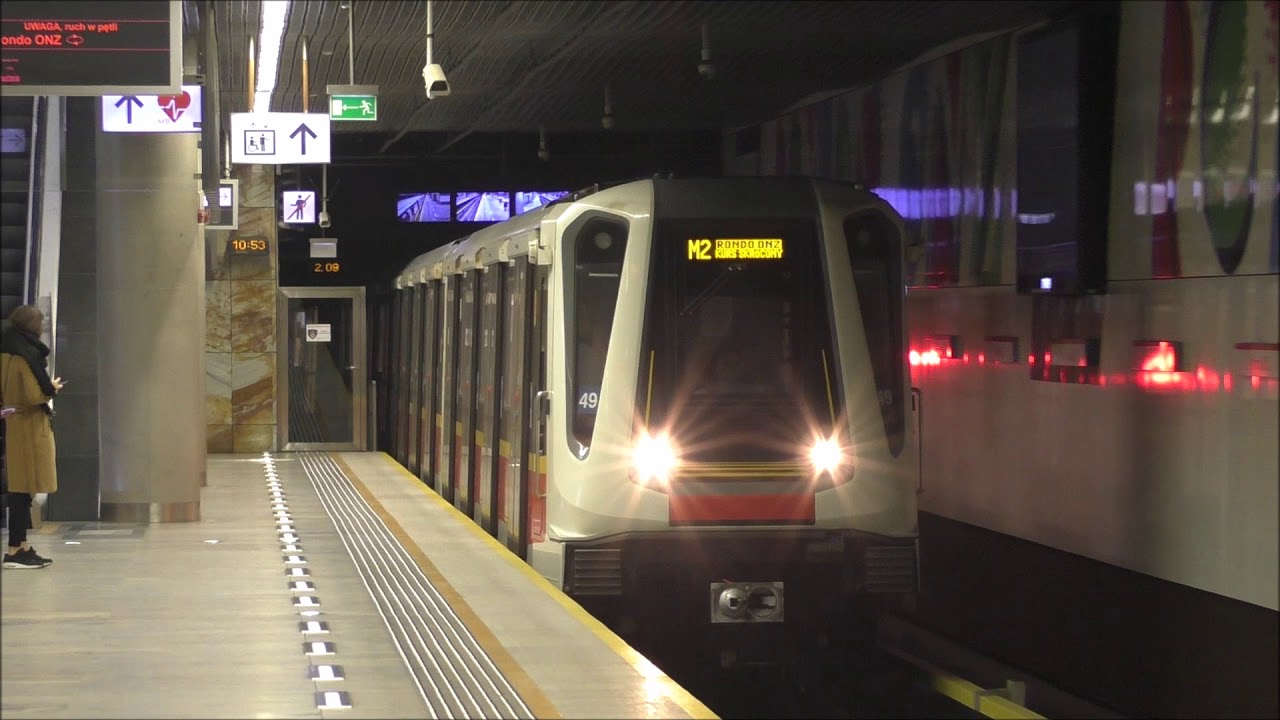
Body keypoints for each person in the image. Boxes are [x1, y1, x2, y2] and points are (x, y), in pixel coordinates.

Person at [1, 304, 62, 569]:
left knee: (21, 487)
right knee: (22, 490)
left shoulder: (5, 351)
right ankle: (15, 550)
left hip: (14, 422)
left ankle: (22, 545)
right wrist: (53, 387)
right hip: (29, 426)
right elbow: (36, 394)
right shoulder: (25, 356)